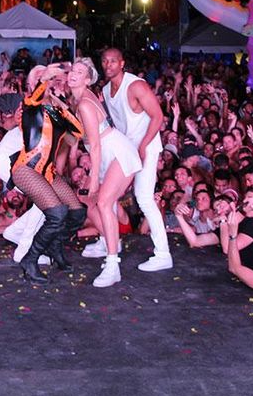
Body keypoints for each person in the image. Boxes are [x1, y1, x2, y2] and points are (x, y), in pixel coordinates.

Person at [100, 48, 172, 272]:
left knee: (144, 197)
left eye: (113, 61)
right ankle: (109, 242)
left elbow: (158, 116)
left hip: (146, 146)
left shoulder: (136, 85)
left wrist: (142, 146)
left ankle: (163, 254)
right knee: (108, 194)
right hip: (127, 148)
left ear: (122, 63)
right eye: (105, 61)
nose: (108, 65)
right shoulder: (105, 90)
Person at [68, 57, 138, 288]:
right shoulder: (79, 98)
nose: (73, 74)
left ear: (88, 80)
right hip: (107, 154)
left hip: (117, 153)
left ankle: (112, 265)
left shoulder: (85, 104)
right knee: (94, 202)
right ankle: (107, 240)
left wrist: (94, 178)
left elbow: (96, 146)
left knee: (104, 203)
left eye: (80, 72)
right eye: (72, 70)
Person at [11, 65, 84, 284]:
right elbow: (34, 98)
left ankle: (55, 247)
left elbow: (78, 131)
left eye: (51, 79)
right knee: (57, 213)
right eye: (43, 78)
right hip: (26, 169)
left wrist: (60, 103)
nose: (51, 81)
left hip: (47, 172)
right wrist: (45, 78)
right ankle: (30, 260)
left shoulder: (54, 110)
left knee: (77, 212)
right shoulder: (29, 105)